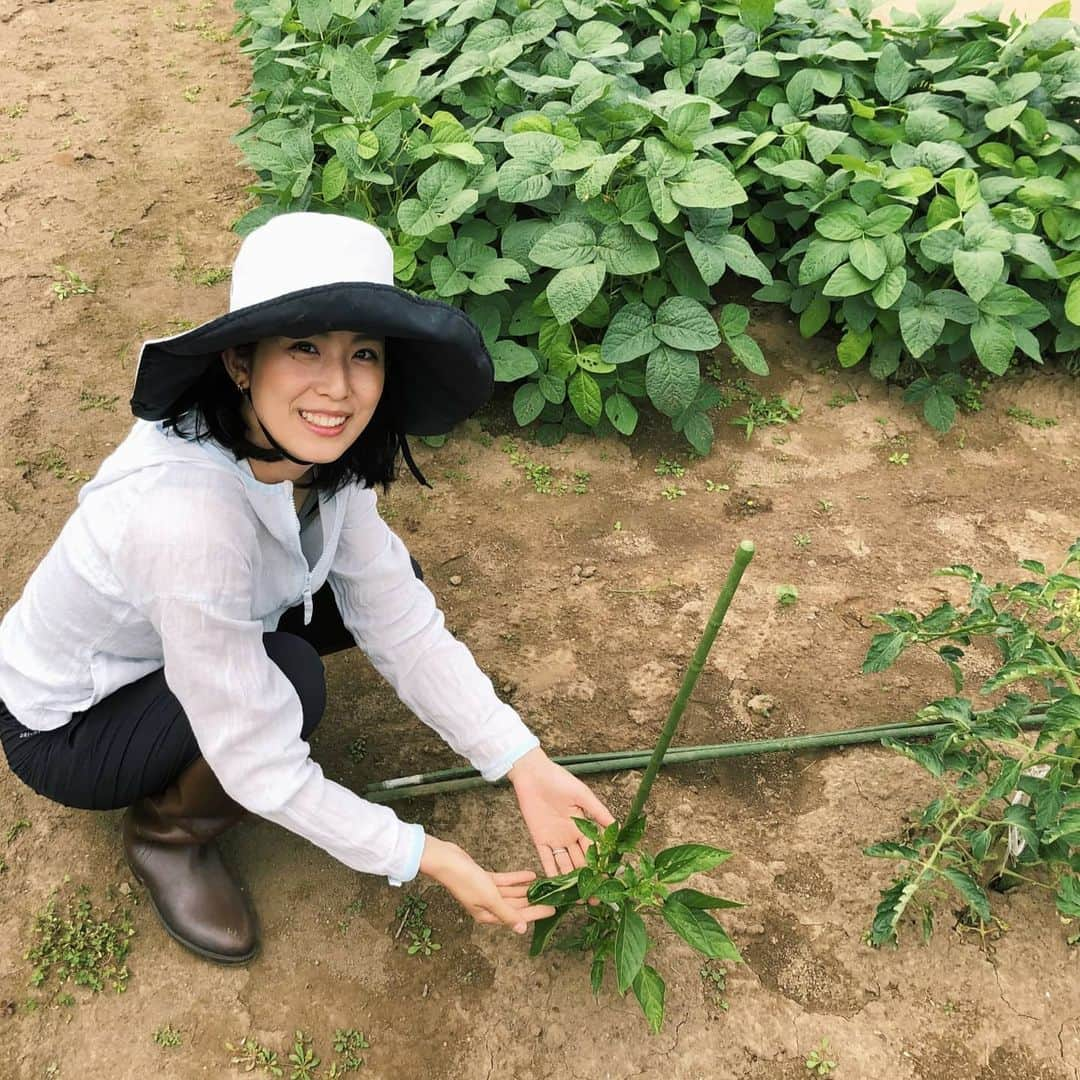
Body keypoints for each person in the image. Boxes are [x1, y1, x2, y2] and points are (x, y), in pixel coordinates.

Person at [0, 211, 614, 964]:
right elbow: (259, 758)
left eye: (364, 353)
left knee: (384, 585)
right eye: (303, 348)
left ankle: (224, 691)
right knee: (288, 681)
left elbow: (400, 619)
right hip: (68, 724)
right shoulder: (185, 515)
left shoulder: (314, 458)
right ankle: (168, 834)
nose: (339, 387)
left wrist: (523, 762)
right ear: (239, 362)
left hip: (186, 622)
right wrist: (427, 856)